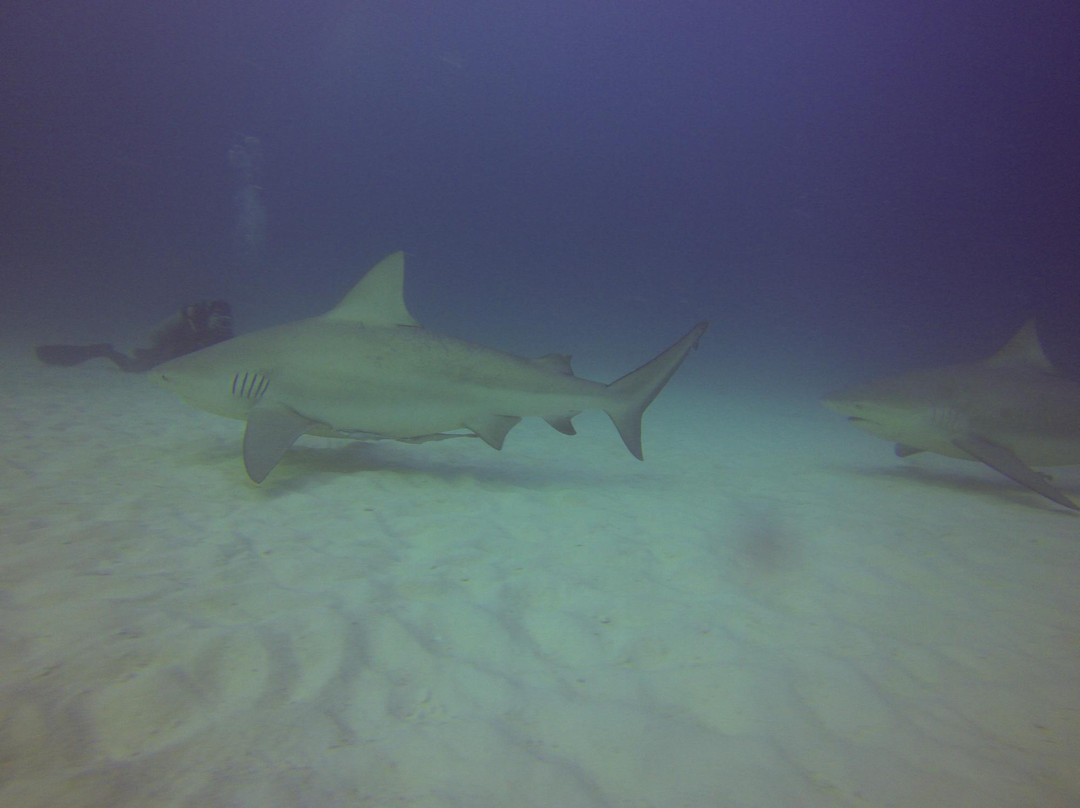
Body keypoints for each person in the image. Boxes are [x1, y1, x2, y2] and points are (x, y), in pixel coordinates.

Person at [35, 300, 234, 372]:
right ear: (210, 315)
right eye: (218, 319)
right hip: (166, 351)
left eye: (225, 320)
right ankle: (103, 351)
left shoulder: (223, 332)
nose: (221, 323)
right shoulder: (192, 322)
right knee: (132, 368)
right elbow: (158, 337)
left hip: (183, 359)